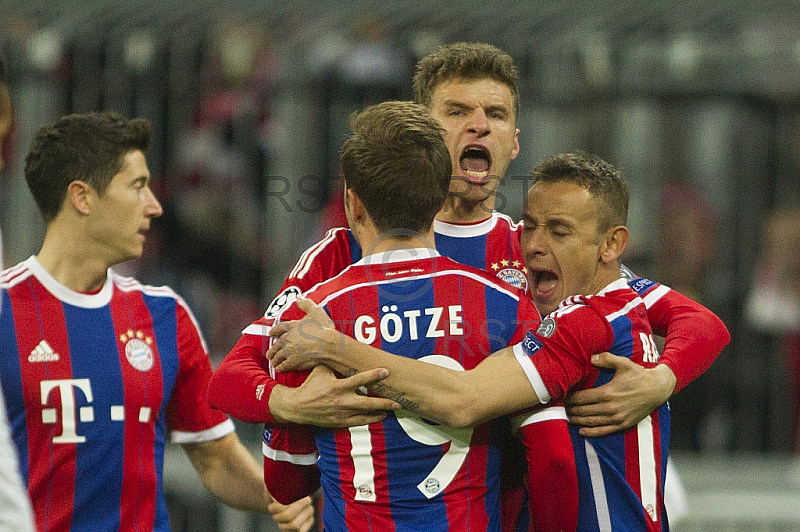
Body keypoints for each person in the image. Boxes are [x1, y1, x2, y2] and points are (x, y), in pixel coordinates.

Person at [210, 42, 730, 530]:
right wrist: (289, 407)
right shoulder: (338, 253)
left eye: (496, 115)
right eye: (457, 112)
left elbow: (696, 322)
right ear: (422, 136)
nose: (478, 127)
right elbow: (235, 374)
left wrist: (663, 378)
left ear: (514, 142)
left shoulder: (534, 249)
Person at [269, 152, 731, 530]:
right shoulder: (627, 304)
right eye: (530, 226)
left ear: (611, 245)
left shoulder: (580, 323)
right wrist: (665, 378)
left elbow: (465, 402)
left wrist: (338, 348)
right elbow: (705, 323)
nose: (533, 245)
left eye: (559, 231)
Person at [0, 111, 314, 532]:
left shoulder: (165, 315)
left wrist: (280, 499)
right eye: (138, 186)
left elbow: (216, 457)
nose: (155, 205)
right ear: (83, 197)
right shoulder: (5, 311)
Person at [263, 99, 540, 531]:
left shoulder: (314, 318)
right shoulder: (508, 305)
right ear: (437, 198)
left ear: (352, 204)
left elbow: (285, 483)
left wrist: (284, 407)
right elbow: (544, 452)